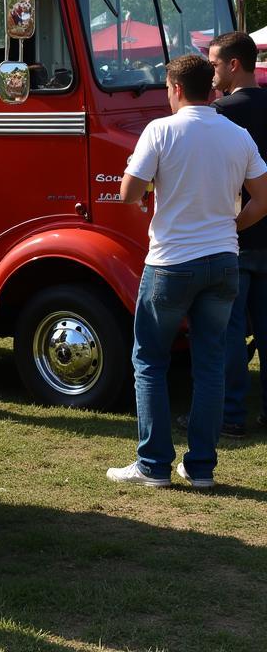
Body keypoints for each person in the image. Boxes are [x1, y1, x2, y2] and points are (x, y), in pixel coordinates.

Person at [108, 55, 267, 489]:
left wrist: (151, 189)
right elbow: (262, 198)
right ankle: (201, 469)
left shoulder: (160, 130)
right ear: (211, 88)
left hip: (172, 262)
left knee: (150, 360)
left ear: (174, 88)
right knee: (211, 365)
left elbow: (128, 193)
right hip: (223, 259)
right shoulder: (237, 135)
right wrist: (231, 226)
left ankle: (153, 464)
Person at [208, 31, 267, 438]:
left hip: (239, 234)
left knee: (229, 333)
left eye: (214, 64)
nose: (211, 72)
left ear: (233, 64)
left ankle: (231, 415)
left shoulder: (222, 112)